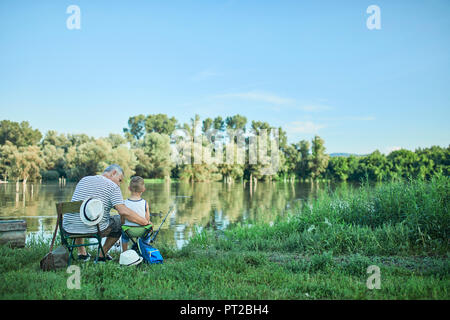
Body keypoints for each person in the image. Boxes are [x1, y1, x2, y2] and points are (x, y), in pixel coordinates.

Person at [62, 164, 151, 262]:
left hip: (68, 227)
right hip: (93, 229)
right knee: (118, 220)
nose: (119, 184)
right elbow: (123, 211)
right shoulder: (112, 186)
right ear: (113, 173)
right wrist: (144, 222)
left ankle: (82, 253)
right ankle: (101, 255)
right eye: (119, 180)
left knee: (83, 213)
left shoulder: (84, 180)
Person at [121, 176, 151, 252]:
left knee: (124, 237)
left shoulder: (124, 203)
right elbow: (147, 220)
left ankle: (124, 253)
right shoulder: (145, 203)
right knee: (147, 236)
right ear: (143, 189)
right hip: (142, 231)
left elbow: (122, 220)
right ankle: (145, 251)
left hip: (128, 230)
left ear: (129, 188)